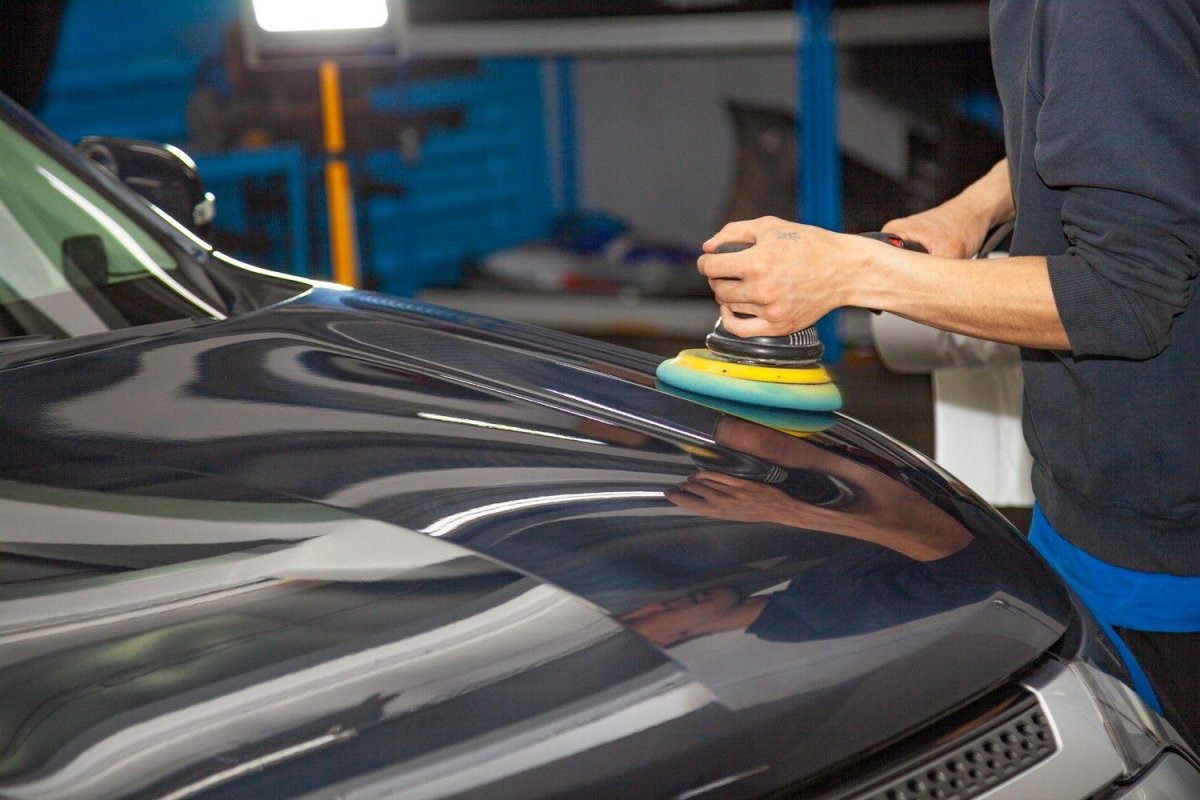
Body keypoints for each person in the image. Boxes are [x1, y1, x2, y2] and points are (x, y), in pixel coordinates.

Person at [696, 1, 1200, 744]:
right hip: (1095, 498)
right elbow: (1133, 119)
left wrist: (850, 271)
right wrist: (972, 208)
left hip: (1163, 553)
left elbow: (1123, 297)